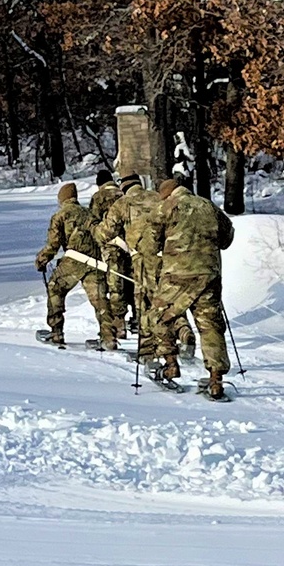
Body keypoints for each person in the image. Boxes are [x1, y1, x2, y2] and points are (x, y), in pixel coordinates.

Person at [93, 174, 196, 363]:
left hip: (143, 260)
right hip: (168, 257)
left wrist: (93, 228)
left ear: (124, 187)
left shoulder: (124, 203)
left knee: (145, 305)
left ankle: (148, 351)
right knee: (168, 300)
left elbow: (104, 233)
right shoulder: (160, 198)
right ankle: (183, 331)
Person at [147, 179, 235, 399]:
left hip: (176, 276)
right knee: (210, 324)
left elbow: (150, 244)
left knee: (159, 317)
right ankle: (216, 380)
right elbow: (227, 238)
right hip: (208, 275)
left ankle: (170, 365)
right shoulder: (208, 206)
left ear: (166, 194)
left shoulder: (165, 207)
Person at [35, 183, 113, 347]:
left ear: (62, 199)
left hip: (73, 260)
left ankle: (56, 332)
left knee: (55, 288)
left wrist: (42, 259)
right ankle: (108, 338)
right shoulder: (90, 214)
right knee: (100, 300)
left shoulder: (60, 215)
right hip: (94, 262)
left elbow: (53, 245)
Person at [88, 169, 129, 340]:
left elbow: (94, 222)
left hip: (111, 246)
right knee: (132, 283)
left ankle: (119, 324)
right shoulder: (124, 195)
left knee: (115, 285)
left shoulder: (98, 198)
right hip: (131, 245)